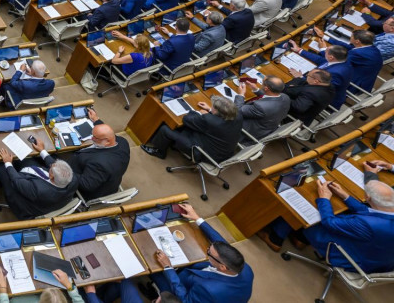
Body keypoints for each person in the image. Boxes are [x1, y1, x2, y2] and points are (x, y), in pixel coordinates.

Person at [259, 164, 394, 274]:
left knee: (306, 205)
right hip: (377, 257)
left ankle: (275, 238)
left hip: (351, 258)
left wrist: (324, 198)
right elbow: (368, 211)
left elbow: (330, 223)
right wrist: (345, 196)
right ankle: (300, 239)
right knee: (338, 208)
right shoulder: (387, 212)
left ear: (368, 198)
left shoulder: (369, 224)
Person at [147, 203, 254, 302]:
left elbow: (185, 299)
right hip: (200, 278)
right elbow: (221, 244)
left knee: (154, 268)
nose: (208, 250)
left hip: (188, 292)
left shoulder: (209, 290)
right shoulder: (243, 267)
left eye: (209, 252)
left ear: (222, 267)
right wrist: (197, 218)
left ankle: (157, 293)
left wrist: (168, 267)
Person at [141, 95, 243, 162]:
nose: (211, 107)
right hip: (225, 151)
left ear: (216, 112)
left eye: (213, 107)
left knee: (165, 129)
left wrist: (199, 113)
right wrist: (209, 110)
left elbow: (187, 119)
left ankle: (159, 152)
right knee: (186, 128)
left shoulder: (210, 121)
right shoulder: (237, 115)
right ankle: (174, 145)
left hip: (206, 153)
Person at [0, 143, 77, 219]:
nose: (51, 164)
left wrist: (8, 163)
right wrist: (42, 150)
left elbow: (17, 181)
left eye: (51, 167)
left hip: (20, 194)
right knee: (25, 156)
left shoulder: (40, 190)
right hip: (35, 179)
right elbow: (55, 166)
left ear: (51, 176)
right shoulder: (72, 178)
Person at [68, 110, 131, 201]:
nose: (91, 138)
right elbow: (108, 133)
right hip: (109, 181)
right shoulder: (122, 142)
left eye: (95, 137)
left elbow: (86, 185)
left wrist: (64, 171)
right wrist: (96, 120)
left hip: (89, 191)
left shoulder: (100, 164)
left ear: (107, 141)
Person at [317, 27, 384, 94]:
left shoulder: (358, 53)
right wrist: (324, 37)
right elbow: (349, 47)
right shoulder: (372, 48)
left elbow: (336, 61)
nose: (350, 37)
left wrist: (323, 49)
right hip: (367, 81)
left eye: (351, 36)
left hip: (354, 84)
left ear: (357, 41)